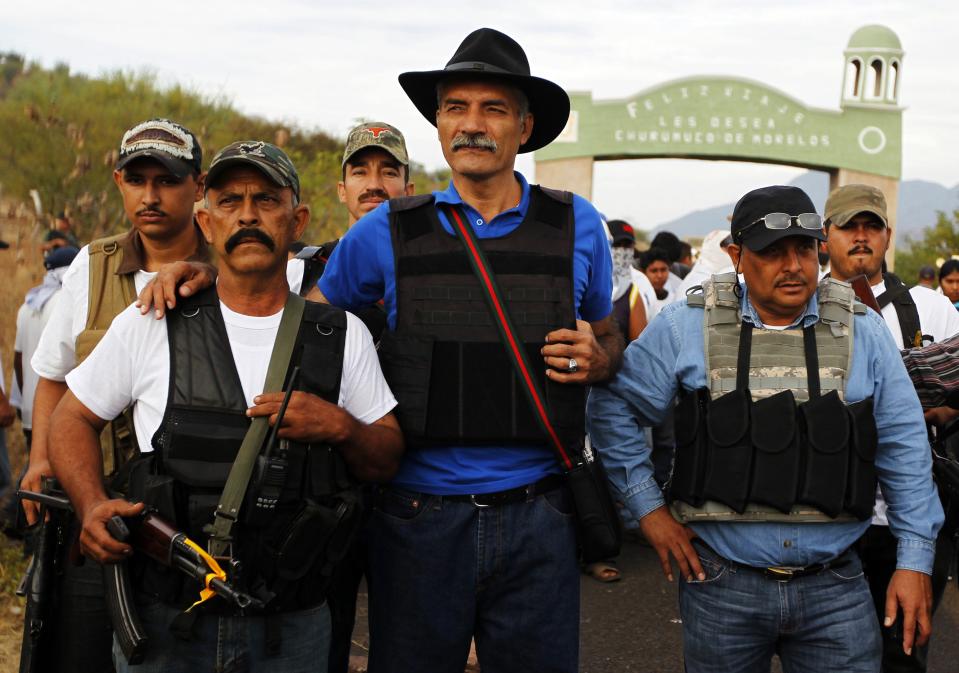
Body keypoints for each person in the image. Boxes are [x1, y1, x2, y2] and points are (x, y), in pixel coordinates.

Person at [315, 28, 619, 673]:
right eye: (456, 107)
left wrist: (602, 357)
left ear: (525, 126)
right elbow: (310, 324)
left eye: (493, 109)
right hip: (417, 519)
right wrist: (188, 270)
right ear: (437, 123)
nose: (472, 125)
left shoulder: (577, 222)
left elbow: (609, 334)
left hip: (541, 510)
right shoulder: (385, 230)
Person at [48, 141, 404, 672]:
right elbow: (71, 417)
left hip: (293, 627)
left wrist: (341, 428)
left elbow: (386, 456)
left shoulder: (340, 334)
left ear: (298, 219)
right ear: (206, 222)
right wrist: (91, 503)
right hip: (168, 618)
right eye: (230, 201)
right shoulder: (153, 320)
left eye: (266, 199)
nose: (248, 216)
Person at [588, 185, 943, 673]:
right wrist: (648, 511)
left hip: (835, 587)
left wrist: (914, 561)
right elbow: (614, 408)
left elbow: (905, 449)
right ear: (736, 255)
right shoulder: (686, 325)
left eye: (803, 249)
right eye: (772, 251)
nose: (793, 265)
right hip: (722, 588)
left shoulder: (864, 328)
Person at [824, 183, 959, 673]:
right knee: (831, 655)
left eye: (871, 226)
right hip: (830, 515)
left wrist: (907, 411)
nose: (861, 237)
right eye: (849, 227)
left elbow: (952, 404)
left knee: (902, 655)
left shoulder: (931, 307)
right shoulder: (801, 304)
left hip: (910, 516)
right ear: (826, 235)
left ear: (887, 235)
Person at [607, 219, 647, 341]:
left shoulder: (635, 288)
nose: (622, 252)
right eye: (617, 245)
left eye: (627, 246)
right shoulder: (588, 281)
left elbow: (639, 347)